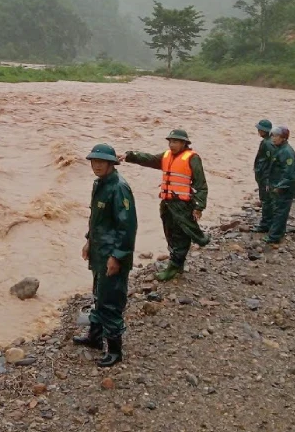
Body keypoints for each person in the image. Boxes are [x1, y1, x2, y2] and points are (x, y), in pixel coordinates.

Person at [74, 144, 137, 367]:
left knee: (111, 300)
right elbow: (97, 219)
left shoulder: (119, 188)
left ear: (112, 163)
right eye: (94, 161)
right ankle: (95, 337)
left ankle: (115, 350)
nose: (97, 165)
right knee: (98, 294)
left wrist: (117, 256)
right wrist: (89, 241)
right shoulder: (99, 184)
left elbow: (127, 227)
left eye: (102, 161)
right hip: (99, 251)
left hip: (112, 255)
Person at [122, 129, 209, 282]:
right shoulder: (166, 156)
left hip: (183, 204)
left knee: (180, 235)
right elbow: (149, 159)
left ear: (184, 143)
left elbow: (201, 185)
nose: (171, 144)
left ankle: (174, 266)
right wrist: (130, 156)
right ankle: (177, 262)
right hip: (167, 203)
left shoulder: (192, 158)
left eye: (175, 141)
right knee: (169, 232)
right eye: (170, 141)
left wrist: (199, 207)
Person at [262, 126, 295, 245]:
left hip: (284, 189)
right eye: (272, 136)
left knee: (280, 212)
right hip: (276, 185)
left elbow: (289, 174)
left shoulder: (287, 152)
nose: (273, 138)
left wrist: (279, 187)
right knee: (278, 210)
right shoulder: (279, 148)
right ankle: (278, 233)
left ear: (283, 138)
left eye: (276, 136)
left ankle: (274, 237)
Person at [252, 119, 274, 232]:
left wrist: (263, 176)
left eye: (259, 129)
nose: (258, 131)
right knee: (267, 200)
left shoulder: (267, 143)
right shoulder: (268, 141)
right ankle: (268, 222)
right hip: (264, 175)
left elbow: (270, 162)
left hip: (265, 176)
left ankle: (265, 224)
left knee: (265, 200)